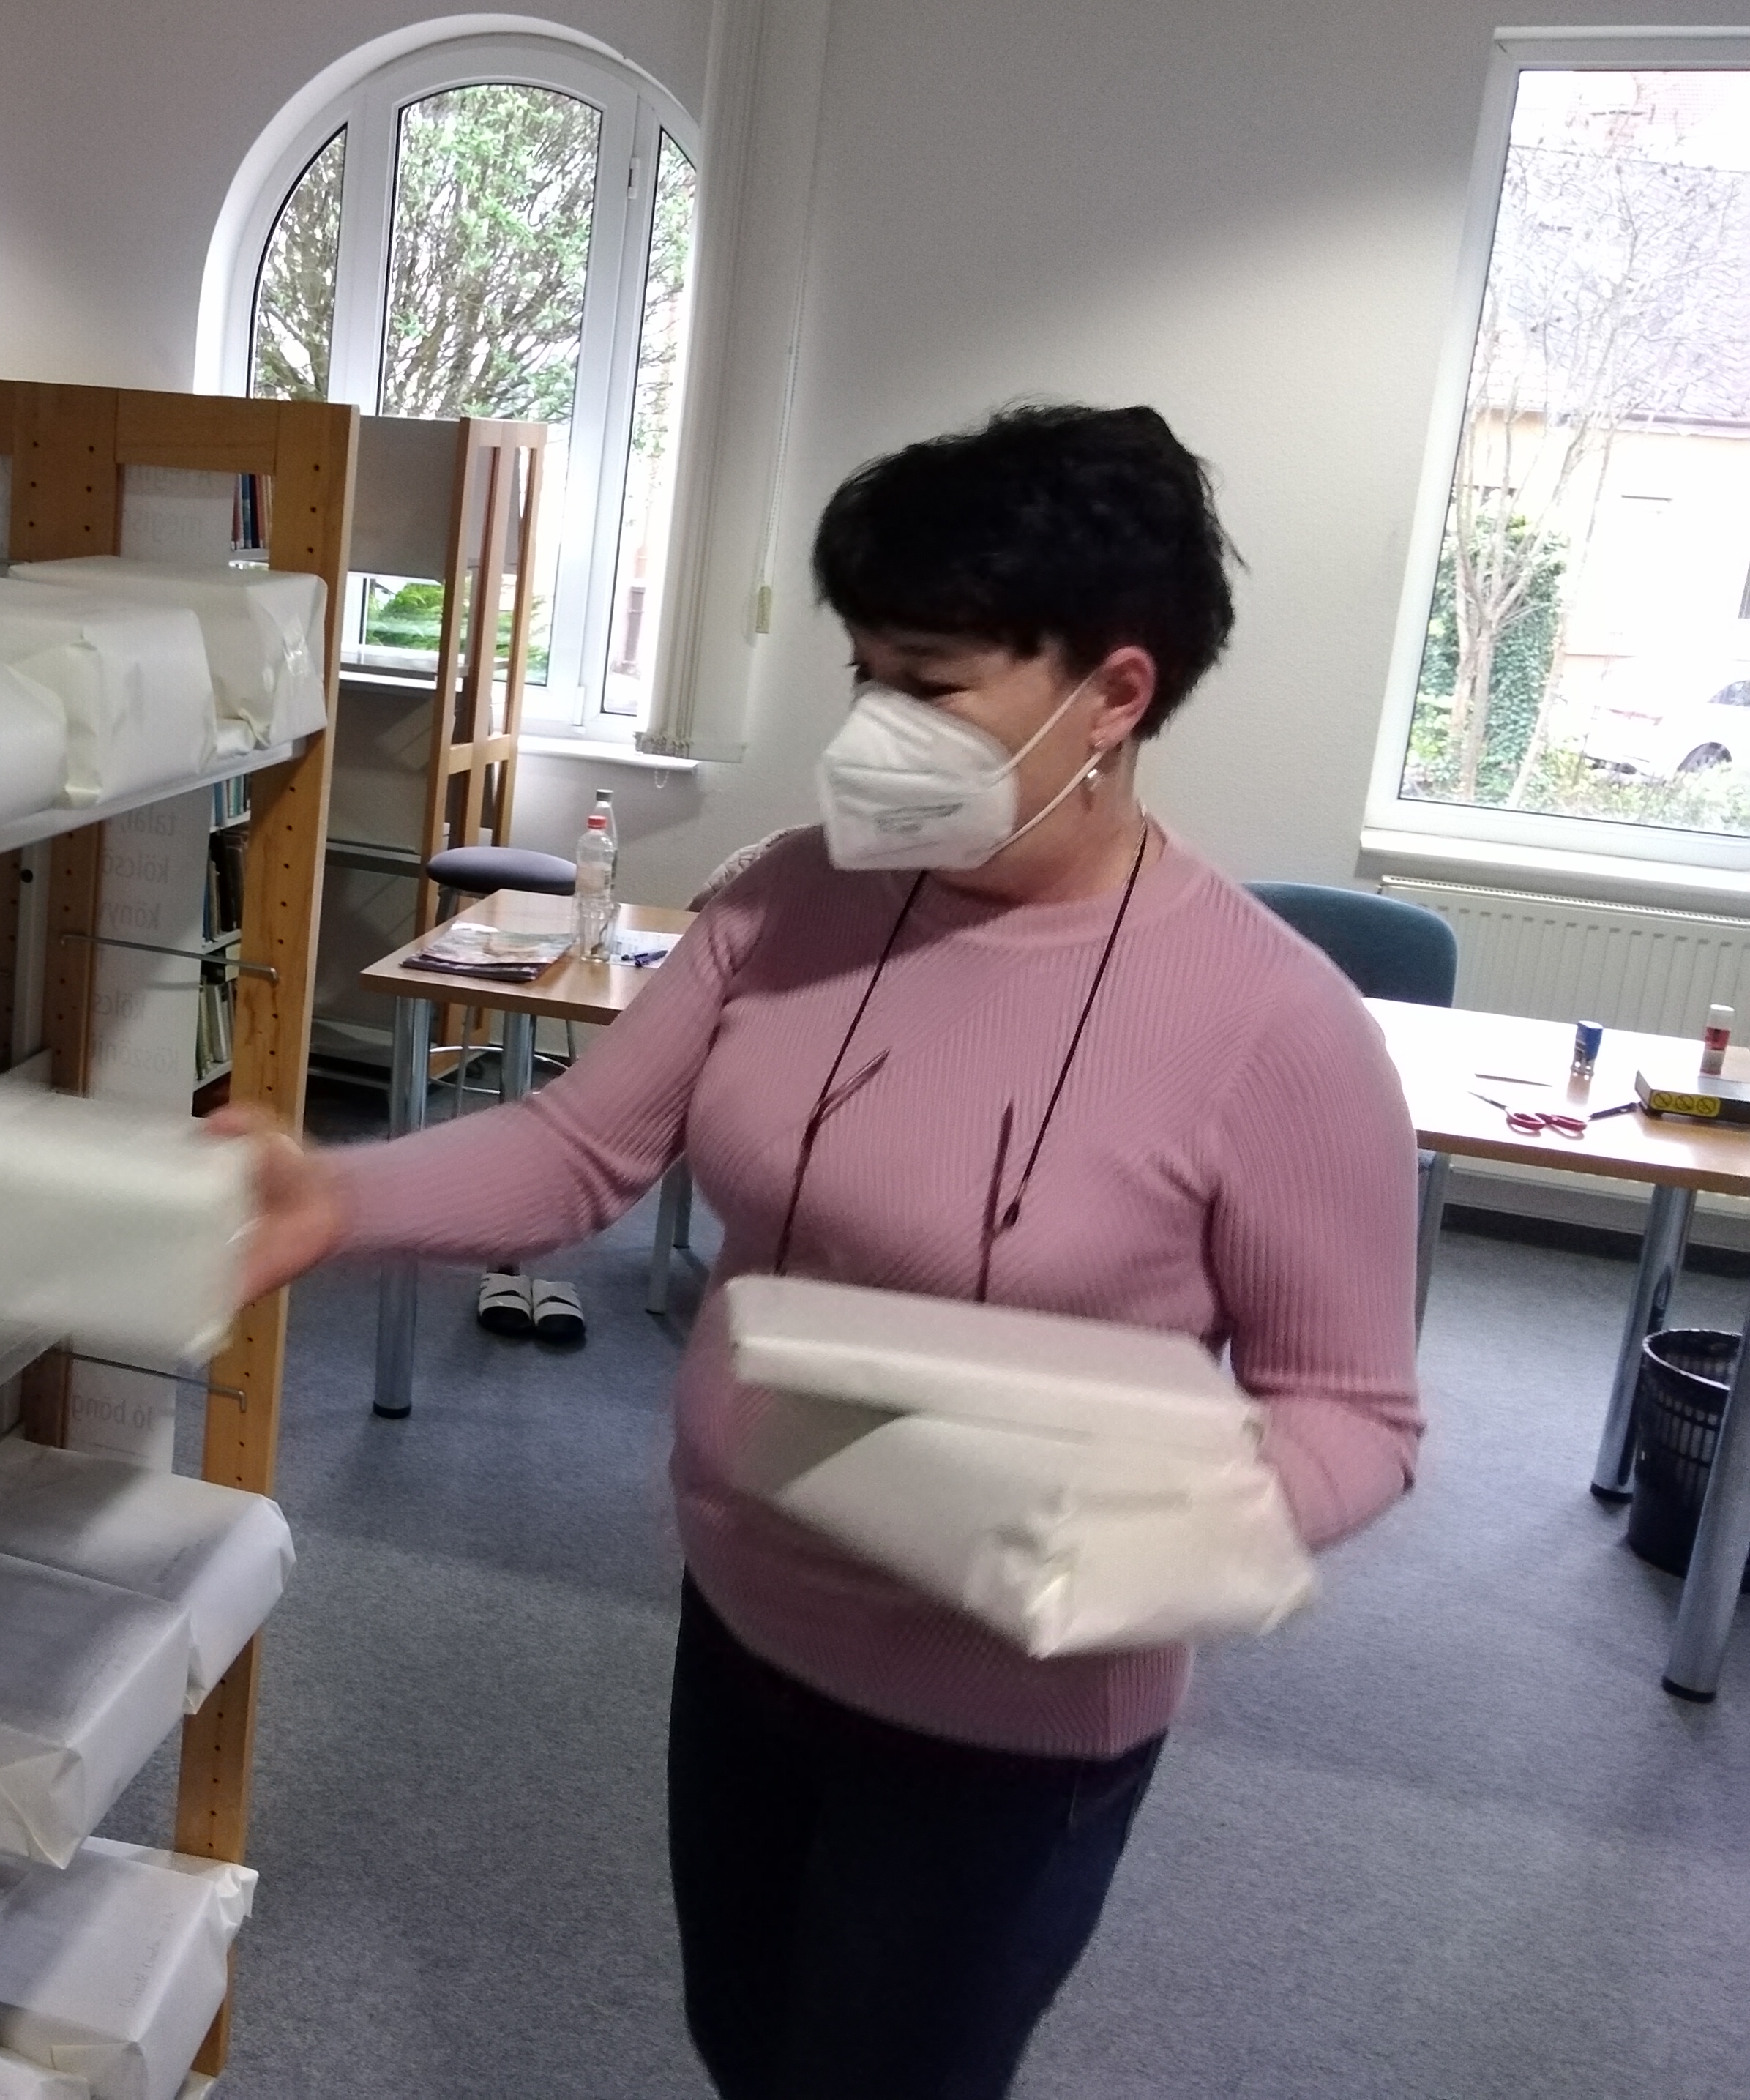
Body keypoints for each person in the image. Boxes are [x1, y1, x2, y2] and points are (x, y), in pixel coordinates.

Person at [231, 404, 1424, 2099]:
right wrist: (331, 1200)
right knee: (747, 2044)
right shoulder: (787, 899)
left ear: (1114, 693)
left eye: (929, 687)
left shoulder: (1274, 1027)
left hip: (1007, 1719)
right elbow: (579, 1149)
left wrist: (1162, 1535)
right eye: (863, 674)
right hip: (746, 1624)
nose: (873, 732)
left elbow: (1354, 1411)